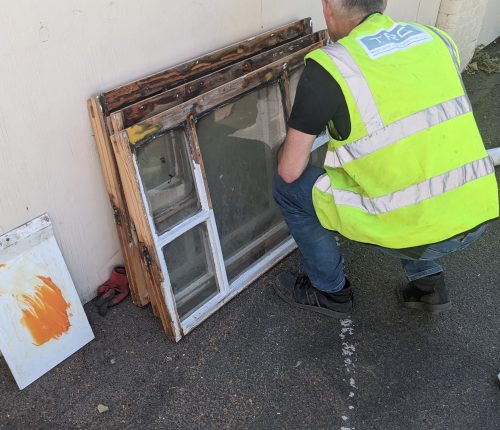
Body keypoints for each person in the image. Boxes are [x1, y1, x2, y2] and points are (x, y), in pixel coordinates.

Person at [272, 0, 499, 316]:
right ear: (384, 2)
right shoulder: (435, 38)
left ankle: (330, 293)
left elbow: (289, 169)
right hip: (477, 212)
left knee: (287, 188)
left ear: (327, 7)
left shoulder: (330, 67)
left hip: (420, 233)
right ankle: (427, 284)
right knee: (413, 167)